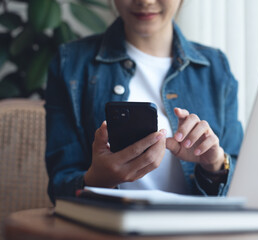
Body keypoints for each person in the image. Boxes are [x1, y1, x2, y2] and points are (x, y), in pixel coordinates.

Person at [45, 0, 243, 204]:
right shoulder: (70, 64)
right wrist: (97, 180)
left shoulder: (216, 68)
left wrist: (216, 164)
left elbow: (244, 180)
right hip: (107, 232)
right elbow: (59, 187)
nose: (145, 1)